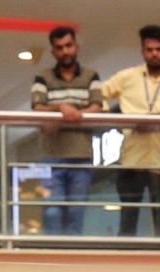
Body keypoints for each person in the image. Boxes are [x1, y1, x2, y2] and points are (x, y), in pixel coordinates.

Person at [100, 26, 160, 238]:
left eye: (159, 49)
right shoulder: (128, 77)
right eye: (149, 49)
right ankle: (126, 260)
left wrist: (154, 120)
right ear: (142, 52)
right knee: (128, 218)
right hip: (132, 158)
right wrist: (115, 119)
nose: (154, 54)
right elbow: (98, 94)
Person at [30, 26, 102, 237]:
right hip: (52, 157)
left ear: (76, 47)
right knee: (52, 211)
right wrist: (61, 108)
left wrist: (72, 115)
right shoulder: (42, 77)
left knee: (76, 212)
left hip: (82, 157)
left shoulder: (91, 75)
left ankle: (73, 258)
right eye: (59, 48)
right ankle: (52, 257)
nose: (65, 51)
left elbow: (97, 106)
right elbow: (37, 109)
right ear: (53, 52)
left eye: (69, 46)